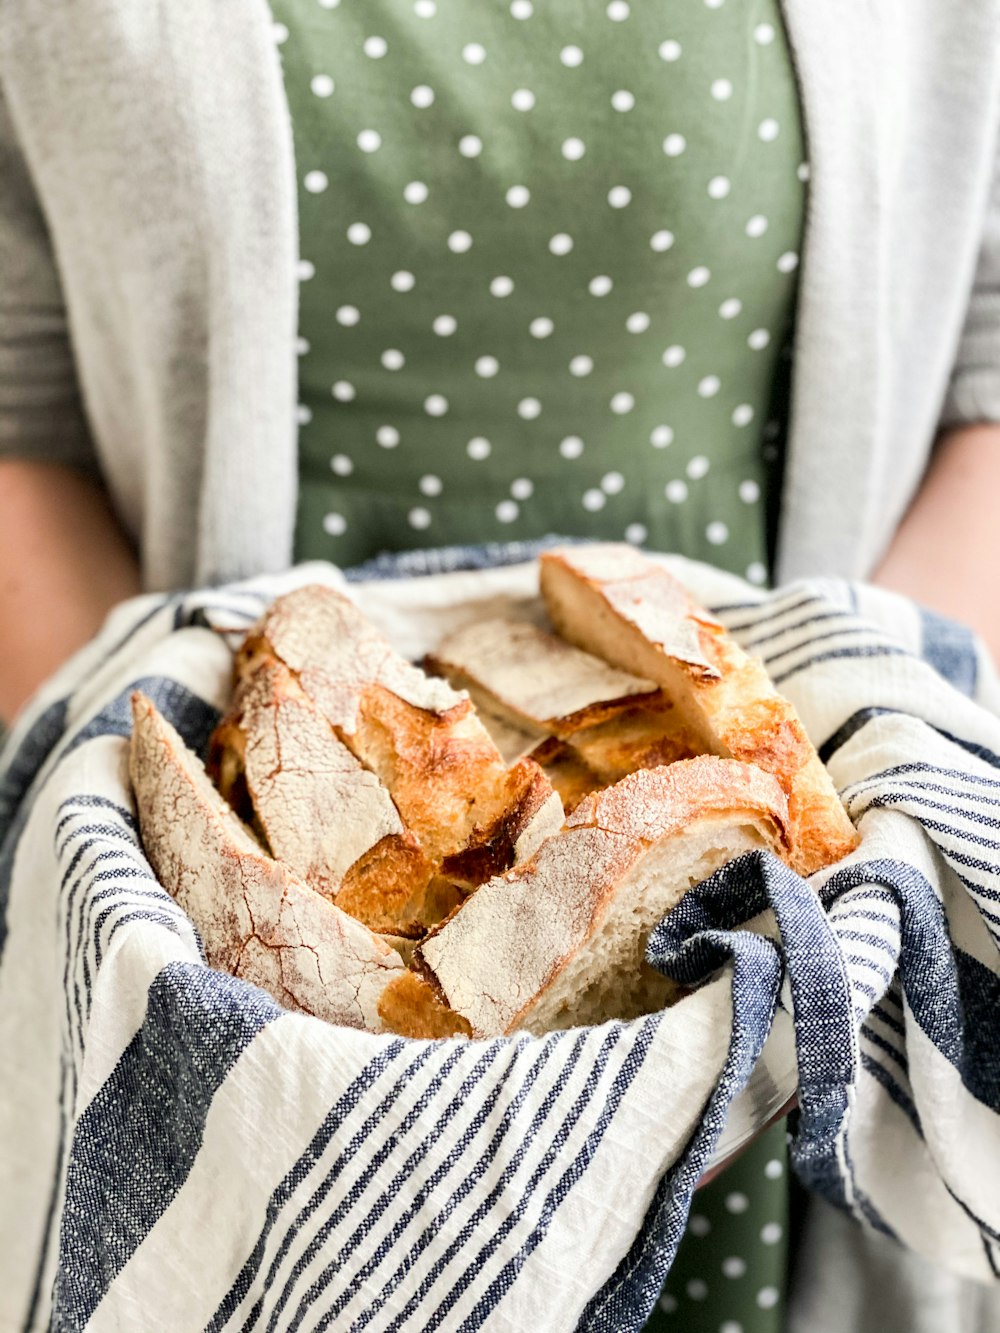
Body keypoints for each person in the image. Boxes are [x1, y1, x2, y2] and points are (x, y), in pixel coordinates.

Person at [1, 4, 999, 1330]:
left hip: (780, 1063)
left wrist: (778, 975)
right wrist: (240, 970)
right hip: (251, 1052)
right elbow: (20, 399)